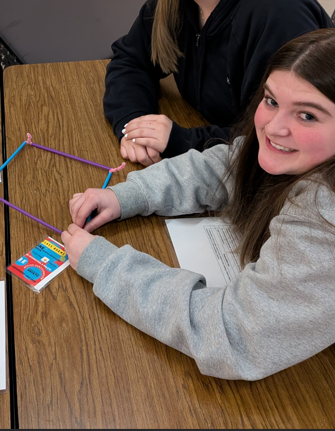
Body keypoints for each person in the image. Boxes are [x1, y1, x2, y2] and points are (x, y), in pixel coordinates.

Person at [65, 28, 335, 380]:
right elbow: (230, 164)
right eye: (271, 101)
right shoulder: (298, 153)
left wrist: (108, 266)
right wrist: (128, 195)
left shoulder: (324, 215)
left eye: (308, 116)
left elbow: (234, 334)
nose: (273, 128)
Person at [105, 0, 332, 167]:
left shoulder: (279, 10)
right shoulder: (172, 3)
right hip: (218, 159)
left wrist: (180, 140)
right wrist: (134, 125)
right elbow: (129, 59)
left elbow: (283, 136)